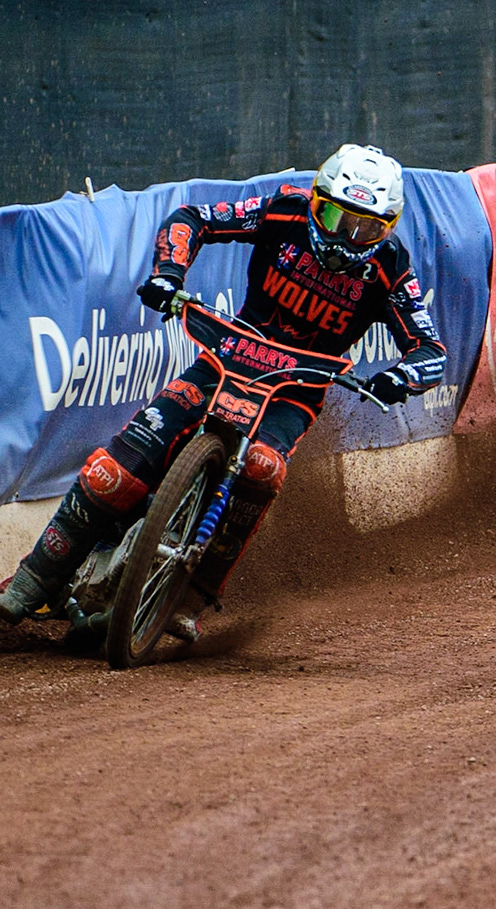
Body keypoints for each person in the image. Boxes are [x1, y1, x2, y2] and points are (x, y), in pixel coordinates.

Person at [0, 144, 447, 634]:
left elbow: (431, 349)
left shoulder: (390, 267)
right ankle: (29, 583)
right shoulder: (284, 210)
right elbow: (193, 217)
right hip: (226, 358)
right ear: (317, 199)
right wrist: (168, 274)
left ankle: (191, 597)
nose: (344, 238)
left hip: (294, 391)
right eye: (336, 215)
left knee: (262, 466)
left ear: (388, 227)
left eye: (364, 227)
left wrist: (400, 377)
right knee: (114, 473)